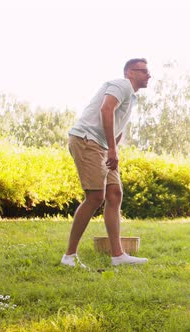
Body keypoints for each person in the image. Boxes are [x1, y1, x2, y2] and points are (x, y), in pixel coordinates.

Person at [61, 58, 151, 268]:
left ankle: (118, 255)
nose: (149, 75)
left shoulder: (132, 97)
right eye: (144, 71)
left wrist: (113, 149)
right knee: (94, 197)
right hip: (86, 140)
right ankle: (69, 256)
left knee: (114, 194)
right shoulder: (121, 85)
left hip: (101, 145)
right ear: (130, 72)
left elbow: (117, 125)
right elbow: (106, 110)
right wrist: (111, 148)